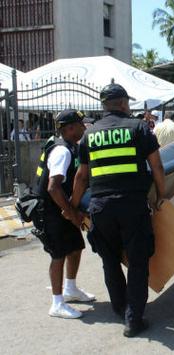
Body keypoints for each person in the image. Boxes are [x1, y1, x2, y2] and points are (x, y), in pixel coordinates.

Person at [71, 83, 166, 337]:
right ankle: (133, 318)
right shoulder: (139, 127)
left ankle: (119, 307)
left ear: (104, 105)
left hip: (100, 207)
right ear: (124, 103)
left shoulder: (89, 135)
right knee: (137, 261)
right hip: (132, 206)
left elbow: (81, 177)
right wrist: (161, 196)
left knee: (110, 260)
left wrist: (72, 207)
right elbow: (156, 166)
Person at [33, 109, 95, 319]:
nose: (84, 127)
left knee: (75, 247)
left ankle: (70, 289)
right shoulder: (63, 151)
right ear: (70, 128)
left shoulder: (70, 147)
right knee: (58, 255)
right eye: (81, 124)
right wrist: (71, 213)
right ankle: (57, 303)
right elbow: (53, 187)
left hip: (61, 208)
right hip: (51, 210)